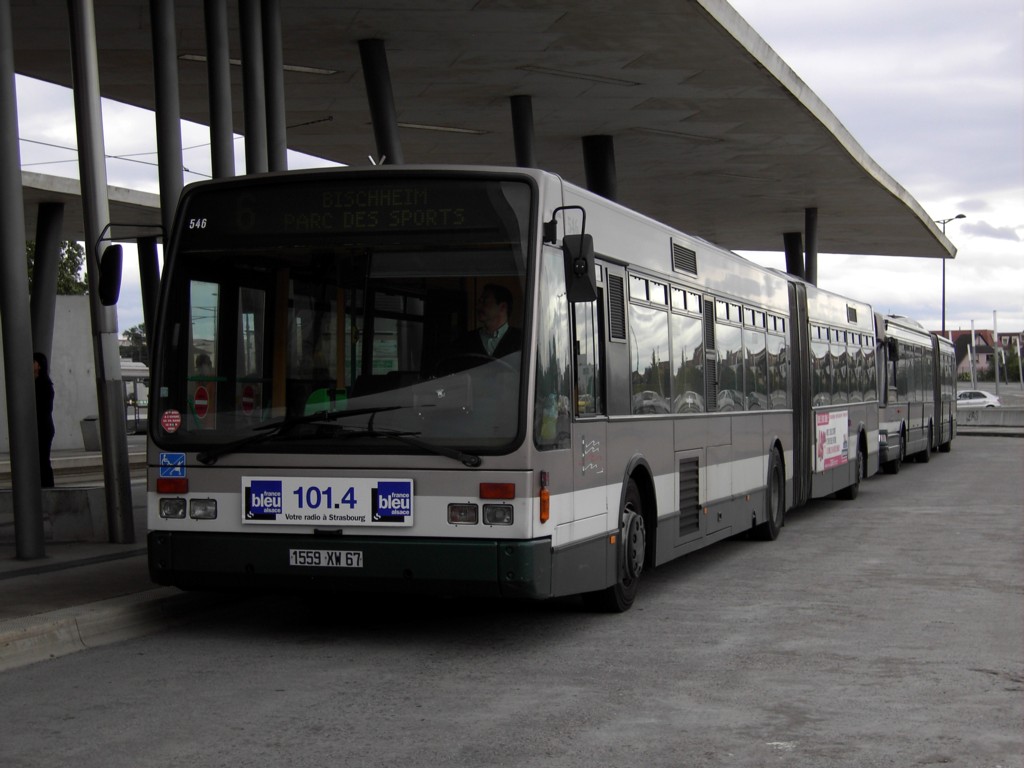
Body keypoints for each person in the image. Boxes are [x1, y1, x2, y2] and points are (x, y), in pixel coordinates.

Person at [453, 283, 522, 358]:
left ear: (502, 307)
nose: (478, 306)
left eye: (484, 301)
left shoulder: (523, 340)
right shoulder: (465, 341)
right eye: (479, 301)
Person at [33, 352, 55, 488]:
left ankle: (47, 486)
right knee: (40, 459)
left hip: (43, 427)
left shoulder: (44, 385)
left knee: (43, 459)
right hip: (41, 426)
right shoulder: (36, 383)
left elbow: (44, 408)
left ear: (39, 365)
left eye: (33, 362)